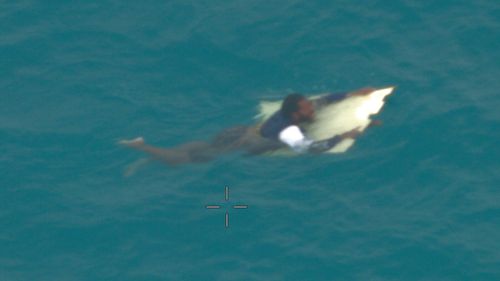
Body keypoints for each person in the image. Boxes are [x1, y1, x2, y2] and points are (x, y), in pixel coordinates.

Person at [119, 88, 378, 166]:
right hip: (239, 144)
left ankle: (149, 153)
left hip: (239, 131)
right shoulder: (290, 131)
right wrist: (347, 133)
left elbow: (321, 101)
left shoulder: (287, 110)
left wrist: (353, 94)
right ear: (297, 113)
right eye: (307, 109)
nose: (312, 109)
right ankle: (145, 149)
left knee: (204, 146)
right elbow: (311, 149)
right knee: (189, 159)